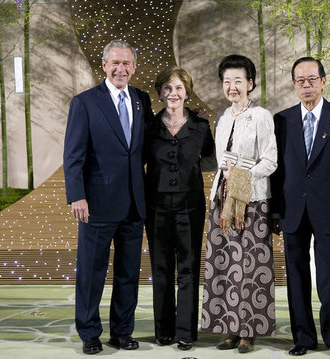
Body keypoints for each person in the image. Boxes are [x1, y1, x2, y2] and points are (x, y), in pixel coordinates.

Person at [63, 39, 154, 355]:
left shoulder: (142, 100)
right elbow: (73, 155)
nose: (121, 68)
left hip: (133, 203)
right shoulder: (85, 102)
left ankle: (122, 332)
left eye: (127, 63)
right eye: (115, 62)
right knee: (91, 272)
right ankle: (89, 333)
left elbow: (150, 144)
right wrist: (77, 195)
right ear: (104, 65)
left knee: (129, 273)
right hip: (96, 205)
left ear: (133, 66)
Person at [270, 57, 330, 357]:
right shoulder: (281, 120)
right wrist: (275, 211)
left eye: (312, 79)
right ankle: (303, 338)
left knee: (329, 277)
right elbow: (277, 171)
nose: (306, 85)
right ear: (294, 85)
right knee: (296, 278)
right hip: (292, 210)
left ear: (323, 81)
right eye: (300, 80)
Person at [201, 54, 278, 354]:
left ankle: (249, 332)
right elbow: (219, 161)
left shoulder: (261, 116)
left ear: (250, 83)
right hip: (222, 201)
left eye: (238, 81)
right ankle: (230, 329)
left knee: (250, 266)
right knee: (225, 266)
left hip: (252, 201)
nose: (232, 87)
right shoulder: (222, 117)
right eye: (227, 81)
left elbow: (271, 160)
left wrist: (243, 176)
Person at [144, 66, 214, 351]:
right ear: (161, 92)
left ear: (187, 93)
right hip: (156, 206)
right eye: (168, 88)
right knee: (161, 268)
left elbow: (210, 158)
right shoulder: (148, 126)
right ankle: (163, 331)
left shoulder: (200, 126)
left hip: (190, 205)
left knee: (188, 268)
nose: (173, 94)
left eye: (179, 89)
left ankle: (185, 331)